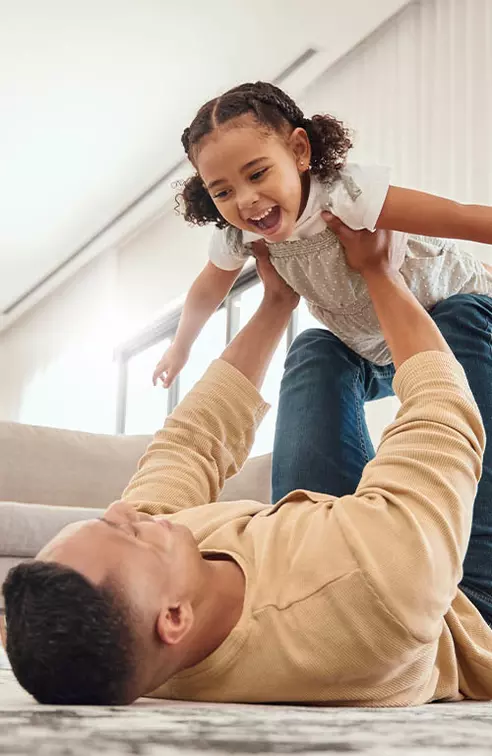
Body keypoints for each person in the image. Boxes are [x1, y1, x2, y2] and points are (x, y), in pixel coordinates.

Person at [3, 222, 492, 707]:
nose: (123, 511)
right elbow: (442, 417)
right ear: (174, 618)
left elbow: (189, 445)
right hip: (459, 603)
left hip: (338, 538)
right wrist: (379, 274)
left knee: (315, 350)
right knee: (464, 317)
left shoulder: (136, 643)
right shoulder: (375, 585)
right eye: (129, 535)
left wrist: (275, 302)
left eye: (106, 522)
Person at [152, 80, 492, 388]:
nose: (245, 200)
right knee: (315, 350)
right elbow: (206, 291)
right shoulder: (240, 236)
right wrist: (180, 347)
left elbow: (455, 216)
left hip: (455, 304)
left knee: (457, 318)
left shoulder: (344, 195)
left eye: (257, 174)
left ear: (299, 151)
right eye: (223, 193)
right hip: (383, 346)